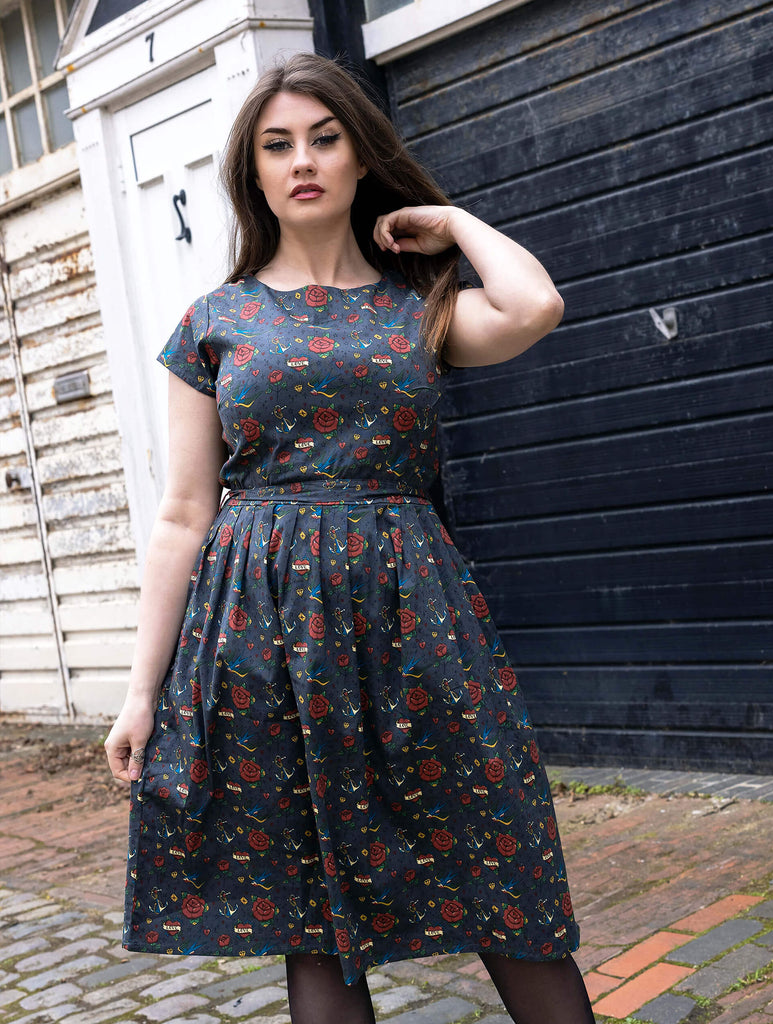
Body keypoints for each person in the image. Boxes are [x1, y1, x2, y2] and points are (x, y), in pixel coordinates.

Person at [103, 52, 595, 1024]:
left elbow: (536, 306)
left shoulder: (424, 305)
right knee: (311, 901)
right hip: (261, 634)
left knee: (495, 848)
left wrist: (450, 223)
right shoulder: (216, 321)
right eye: (278, 144)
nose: (303, 161)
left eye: (325, 139)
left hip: (416, 617)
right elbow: (184, 512)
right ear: (253, 172)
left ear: (363, 156)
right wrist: (141, 691)